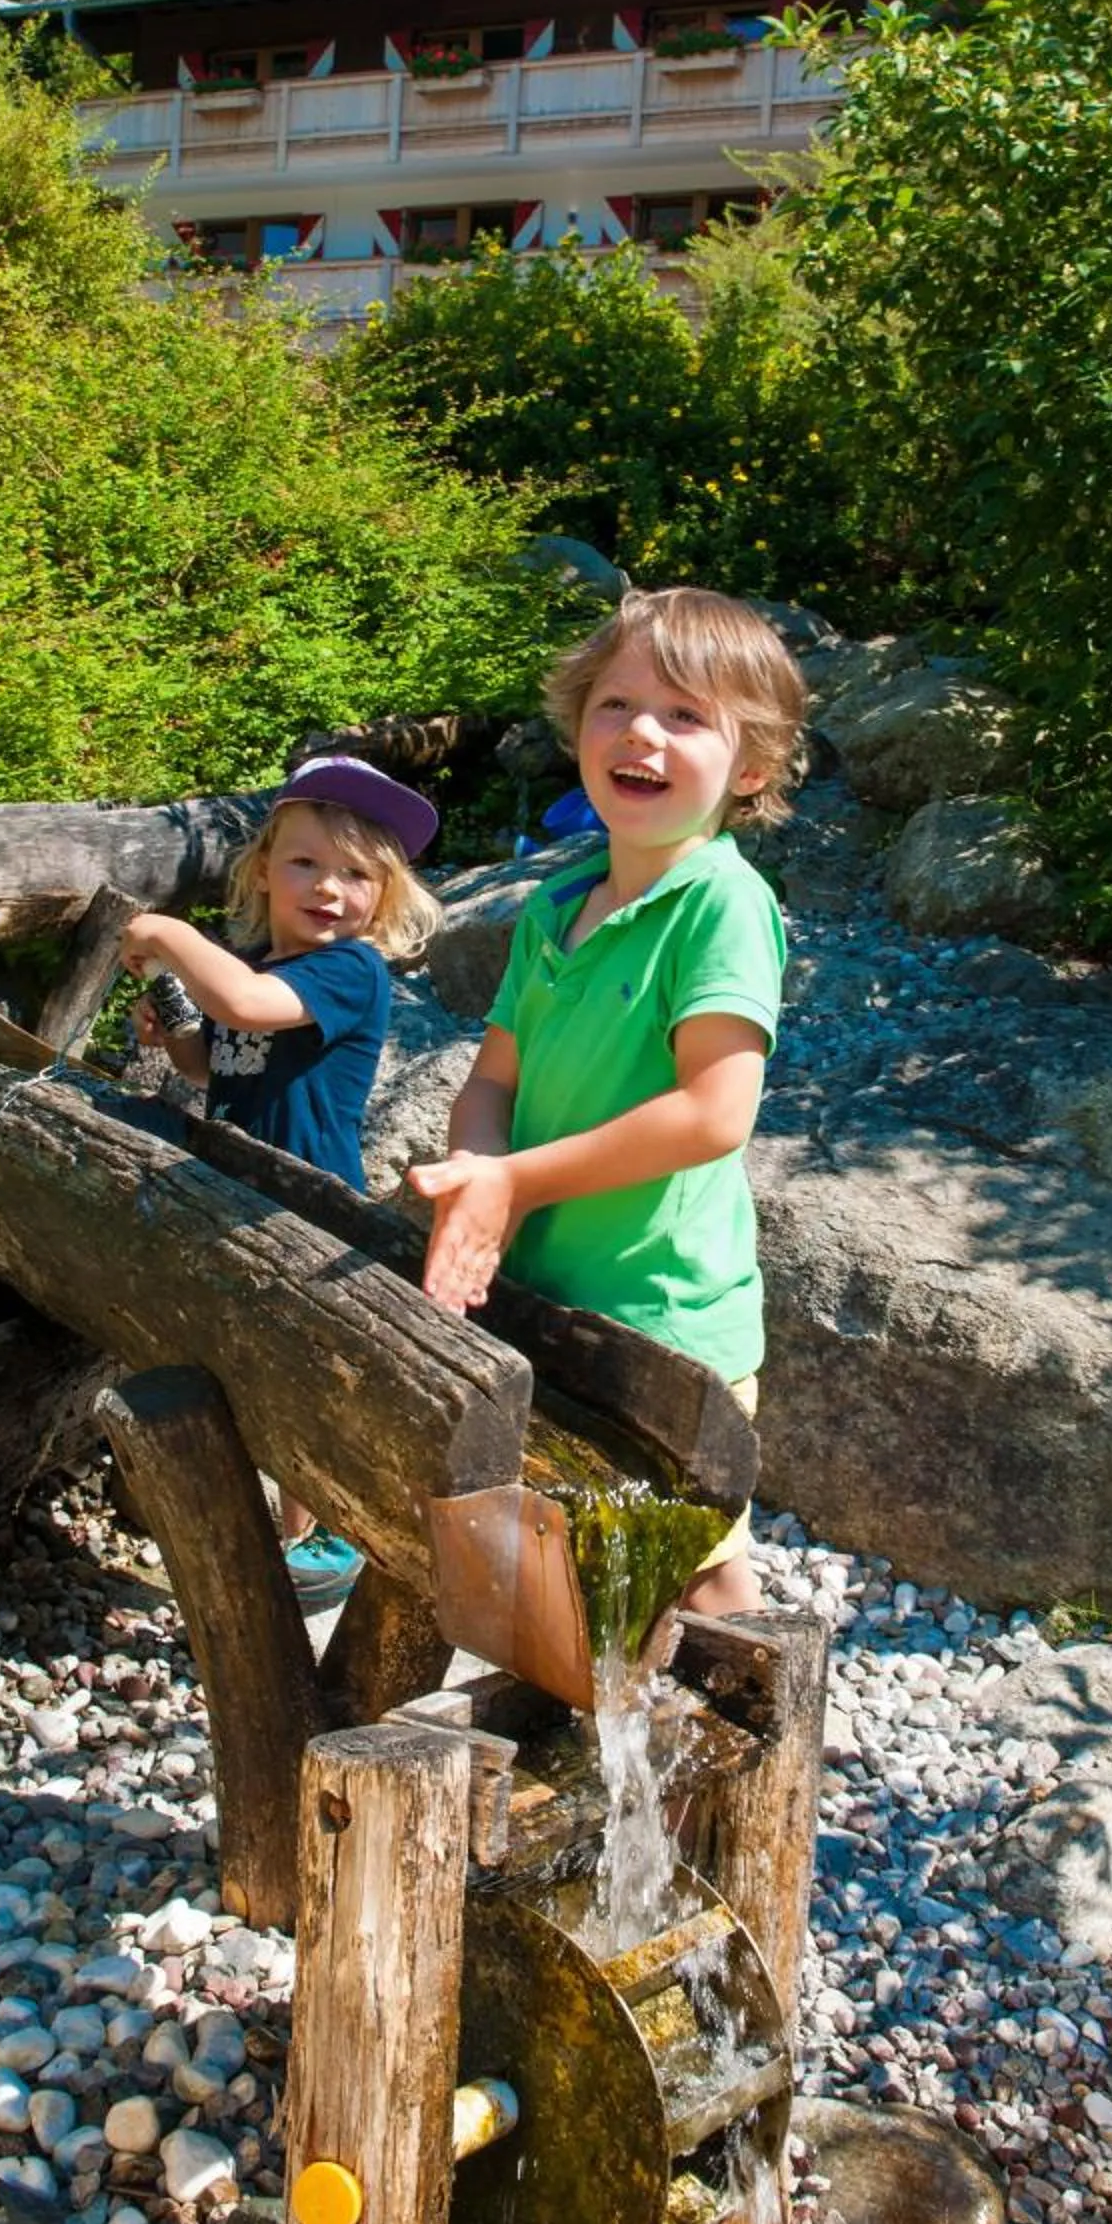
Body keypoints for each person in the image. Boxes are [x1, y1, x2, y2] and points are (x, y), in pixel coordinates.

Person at [411, 588, 806, 1618]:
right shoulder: (553, 908)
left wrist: (515, 1180)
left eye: (685, 716)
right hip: (544, 1292)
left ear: (751, 767)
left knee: (695, 1566)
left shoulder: (722, 904)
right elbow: (491, 1080)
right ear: (578, 726)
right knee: (572, 1563)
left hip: (661, 1318)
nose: (641, 731)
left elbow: (716, 1113)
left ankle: (738, 1748)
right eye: (616, 705)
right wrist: (475, 1181)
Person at [120, 755, 441, 1610]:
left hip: (310, 1202)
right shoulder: (258, 961)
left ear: (385, 895)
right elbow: (213, 1057)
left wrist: (166, 935)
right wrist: (170, 1028)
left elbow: (248, 1009)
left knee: (307, 1369)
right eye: (306, 863)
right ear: (264, 869)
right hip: (244, 1190)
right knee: (263, 1357)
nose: (329, 889)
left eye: (356, 874)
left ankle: (338, 1531)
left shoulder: (348, 970)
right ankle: (292, 1526)